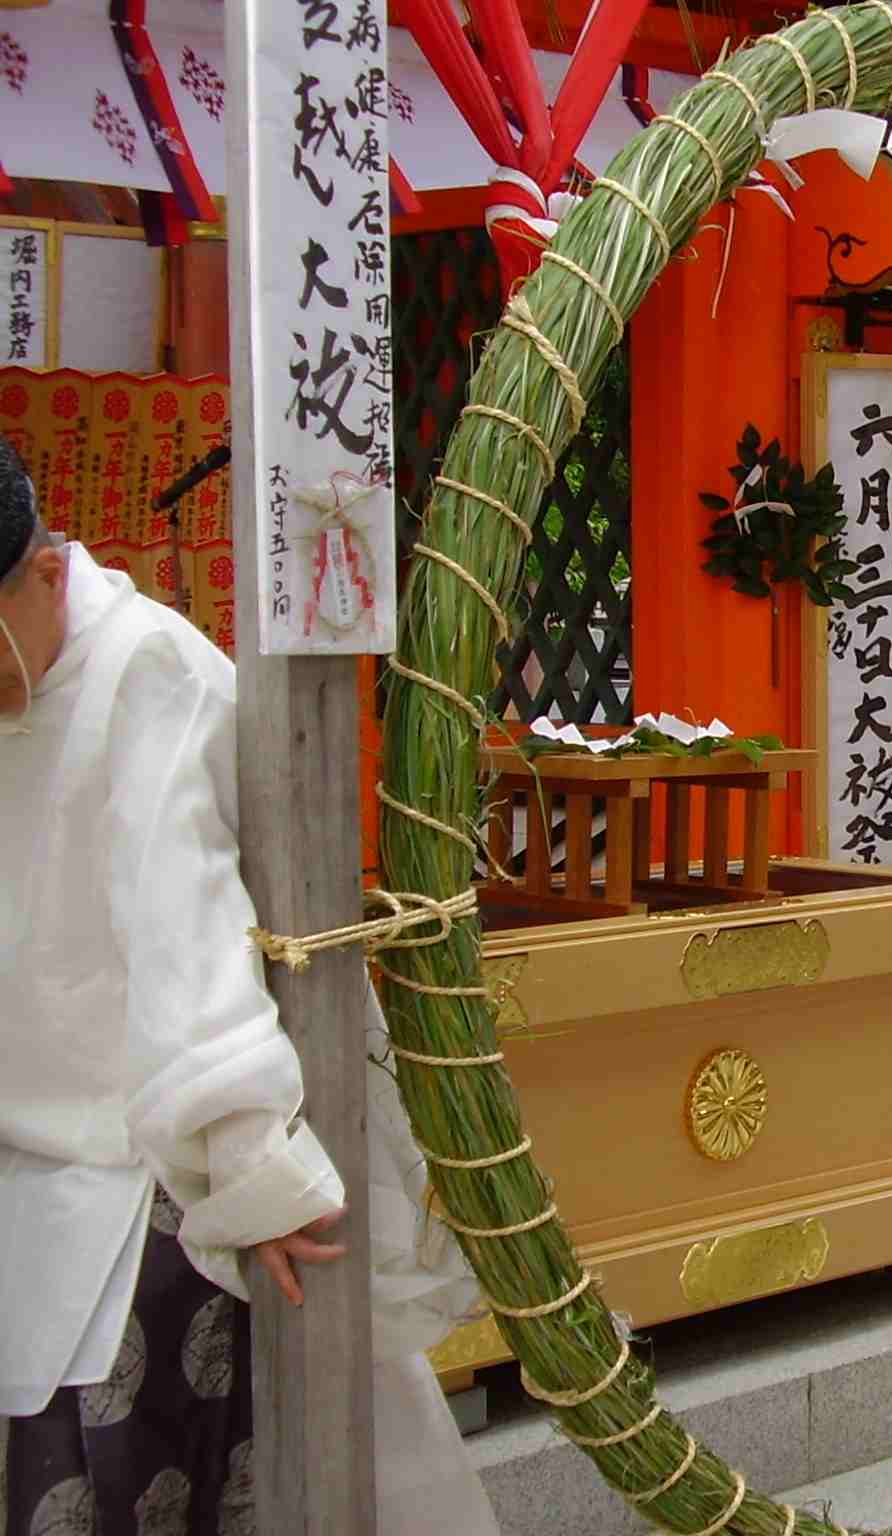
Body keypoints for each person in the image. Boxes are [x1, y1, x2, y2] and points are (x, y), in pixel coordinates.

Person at [0, 442, 497, 1534]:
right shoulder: (25, 666)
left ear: (45, 569)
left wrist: (252, 1156)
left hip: (138, 1179)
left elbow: (195, 941)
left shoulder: (146, 672)